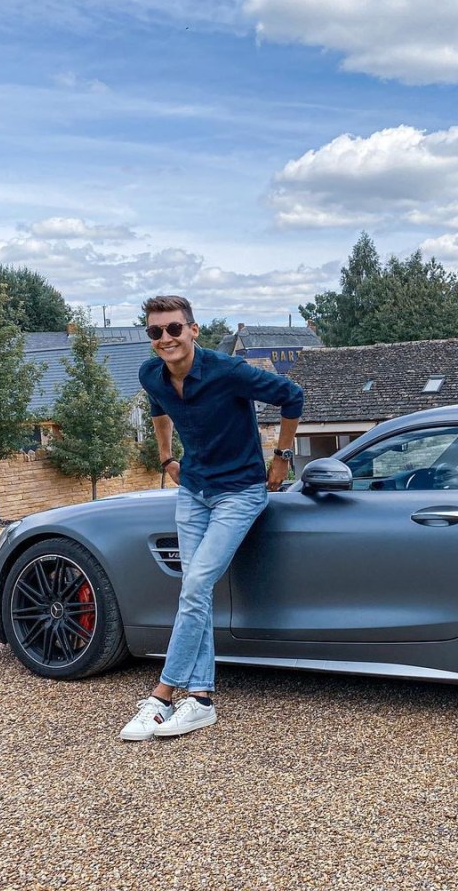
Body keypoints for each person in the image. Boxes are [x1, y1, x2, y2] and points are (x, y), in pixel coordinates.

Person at [120, 295, 304, 741]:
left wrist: (280, 458)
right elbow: (159, 407)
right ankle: (200, 699)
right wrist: (167, 457)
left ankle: (162, 696)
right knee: (193, 591)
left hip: (239, 494)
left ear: (193, 330)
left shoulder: (228, 371)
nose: (165, 339)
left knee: (198, 583)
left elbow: (292, 396)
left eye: (173, 329)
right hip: (194, 491)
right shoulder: (152, 374)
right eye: (155, 332)